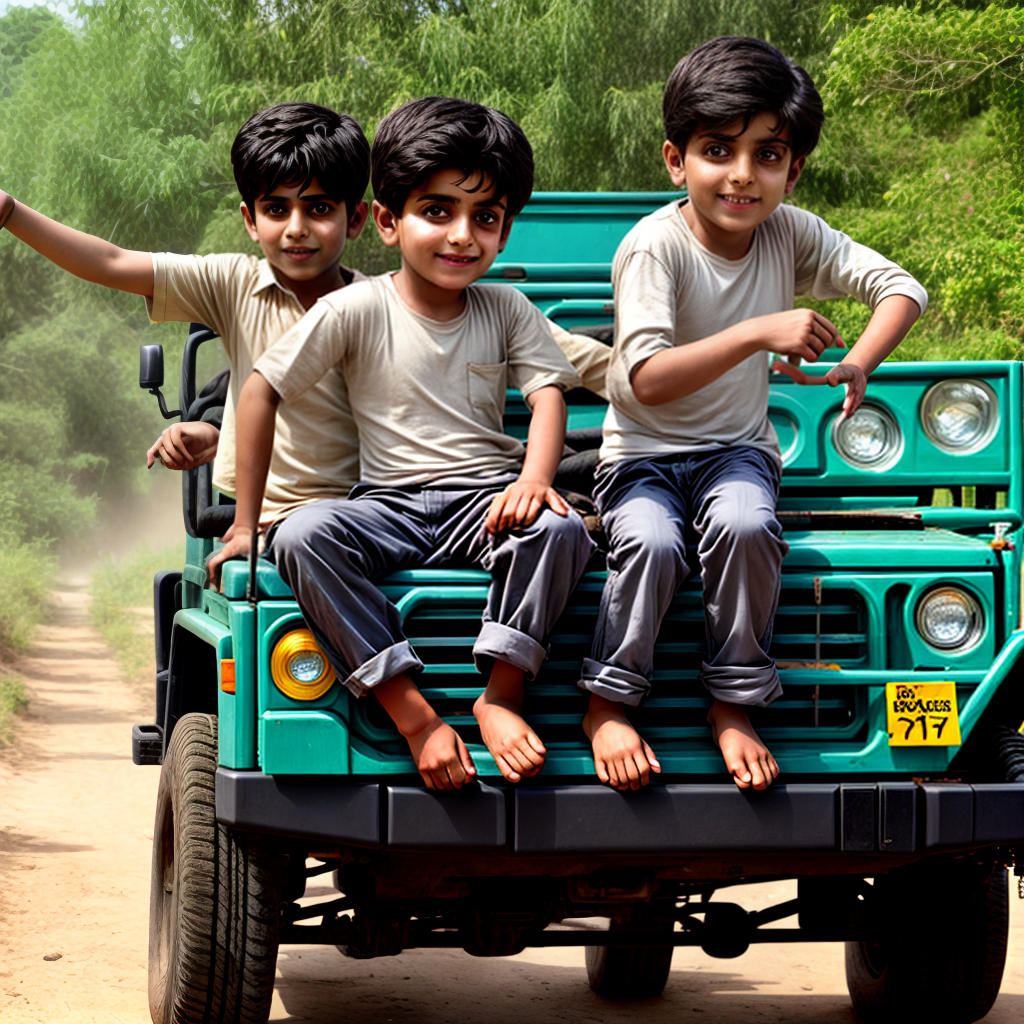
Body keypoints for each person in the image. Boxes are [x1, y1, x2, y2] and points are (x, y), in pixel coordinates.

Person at [207, 96, 596, 792]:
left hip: (485, 502)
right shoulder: (354, 307)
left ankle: (501, 695)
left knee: (559, 530)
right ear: (387, 221)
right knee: (302, 535)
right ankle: (413, 717)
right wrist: (245, 524)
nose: (462, 236)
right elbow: (262, 390)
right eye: (437, 211)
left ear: (505, 231)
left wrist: (535, 481)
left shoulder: (507, 308)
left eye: (485, 218)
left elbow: (547, 397)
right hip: (387, 504)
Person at [577, 36, 928, 793]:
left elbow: (902, 288)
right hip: (642, 457)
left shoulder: (789, 231)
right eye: (717, 150)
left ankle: (733, 701)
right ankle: (608, 703)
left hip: (738, 451)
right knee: (651, 542)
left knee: (745, 525)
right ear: (676, 161)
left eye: (767, 155)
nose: (742, 174)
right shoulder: (653, 248)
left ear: (792, 171)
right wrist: (756, 333)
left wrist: (859, 362)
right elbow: (642, 381)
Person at [0, 101, 372, 529]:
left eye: (319, 208)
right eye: (276, 209)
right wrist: (10, 212)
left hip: (366, 521)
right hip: (271, 531)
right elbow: (111, 262)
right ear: (251, 220)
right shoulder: (232, 285)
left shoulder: (386, 312)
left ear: (355, 217)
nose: (296, 227)